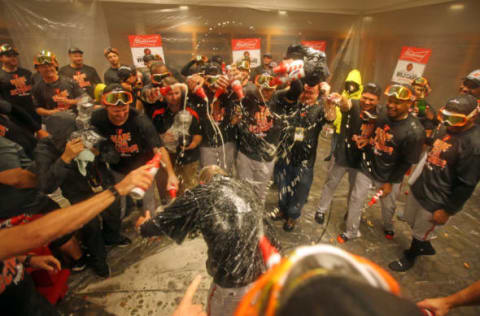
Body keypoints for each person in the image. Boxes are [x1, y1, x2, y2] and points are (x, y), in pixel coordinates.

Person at [136, 165, 278, 316]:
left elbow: (160, 223)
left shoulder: (202, 194)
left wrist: (143, 227)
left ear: (202, 182)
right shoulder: (244, 187)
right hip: (266, 274)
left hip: (233, 283)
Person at [389, 94, 480, 272]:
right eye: (445, 116)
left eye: (454, 119)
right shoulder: (445, 127)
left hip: (437, 198)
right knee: (411, 220)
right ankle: (425, 245)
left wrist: (447, 210)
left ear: (472, 117)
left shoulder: (474, 146)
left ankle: (411, 255)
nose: (448, 122)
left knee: (420, 231)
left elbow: (467, 184)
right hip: (423, 184)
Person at [35, 112, 131, 277]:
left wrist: (99, 152)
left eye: (79, 136)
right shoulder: (44, 149)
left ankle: (112, 236)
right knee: (90, 226)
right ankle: (99, 260)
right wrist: (65, 158)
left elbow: (115, 158)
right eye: (71, 138)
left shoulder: (90, 132)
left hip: (102, 184)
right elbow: (46, 186)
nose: (78, 141)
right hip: (78, 193)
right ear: (57, 138)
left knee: (114, 212)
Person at [337, 84, 424, 243]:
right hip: (368, 166)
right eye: (390, 100)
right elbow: (374, 126)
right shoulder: (383, 112)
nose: (391, 105)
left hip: (390, 174)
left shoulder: (415, 132)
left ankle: (388, 225)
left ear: (409, 104)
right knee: (356, 198)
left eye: (397, 102)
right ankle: (351, 231)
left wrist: (390, 182)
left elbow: (406, 162)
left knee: (388, 206)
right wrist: (367, 138)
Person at [0, 135, 85, 271]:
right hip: (26, 201)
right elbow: (15, 177)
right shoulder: (2, 146)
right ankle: (79, 259)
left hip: (10, 208)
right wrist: (41, 181)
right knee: (59, 228)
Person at [91, 84, 179, 215]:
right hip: (117, 168)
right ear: (106, 106)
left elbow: (159, 148)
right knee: (116, 203)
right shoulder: (97, 117)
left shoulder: (140, 120)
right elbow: (90, 140)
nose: (121, 114)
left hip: (141, 168)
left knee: (148, 202)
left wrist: (171, 174)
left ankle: (150, 230)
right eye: (115, 111)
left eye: (124, 110)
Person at [314, 83, 382, 225]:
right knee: (331, 183)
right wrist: (339, 98)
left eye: (372, 100)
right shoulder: (354, 104)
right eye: (365, 98)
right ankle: (321, 209)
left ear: (378, 101)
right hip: (342, 154)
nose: (367, 102)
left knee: (354, 190)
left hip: (361, 159)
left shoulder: (381, 113)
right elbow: (345, 105)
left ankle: (351, 212)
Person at [274, 82, 335, 231]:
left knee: (300, 190)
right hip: (285, 154)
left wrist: (327, 98)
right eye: (304, 92)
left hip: (305, 160)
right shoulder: (292, 104)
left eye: (310, 93)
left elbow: (331, 118)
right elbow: (278, 96)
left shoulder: (320, 109)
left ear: (317, 94)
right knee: (282, 184)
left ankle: (292, 217)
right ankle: (282, 209)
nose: (306, 95)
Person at [151, 77, 202, 195]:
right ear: (163, 94)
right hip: (167, 158)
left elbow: (198, 133)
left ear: (182, 92)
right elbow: (152, 136)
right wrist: (162, 138)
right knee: (169, 190)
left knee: (189, 189)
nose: (174, 97)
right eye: (169, 94)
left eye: (176, 93)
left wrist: (193, 144)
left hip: (189, 158)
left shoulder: (191, 110)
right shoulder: (158, 113)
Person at [235, 77, 279, 203]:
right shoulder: (248, 99)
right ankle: (243, 219)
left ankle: (257, 219)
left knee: (260, 194)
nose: (265, 93)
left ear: (274, 89)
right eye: (263, 89)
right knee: (243, 192)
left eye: (269, 90)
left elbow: (296, 89)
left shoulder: (279, 102)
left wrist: (282, 76)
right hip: (246, 154)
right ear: (257, 87)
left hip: (266, 157)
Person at [0, 44, 47, 137]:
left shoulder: (26, 73)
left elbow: (35, 92)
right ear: (1, 58)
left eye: (14, 55)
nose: (13, 58)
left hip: (33, 115)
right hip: (16, 118)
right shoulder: (1, 77)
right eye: (9, 56)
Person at [32, 50, 83, 118]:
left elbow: (83, 99)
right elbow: (37, 108)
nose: (48, 69)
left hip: (74, 120)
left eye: (50, 65)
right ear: (37, 69)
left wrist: (69, 101)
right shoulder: (37, 87)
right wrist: (51, 112)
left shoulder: (70, 82)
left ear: (56, 65)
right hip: (52, 122)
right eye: (43, 66)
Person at [411, 76, 437, 141]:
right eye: (413, 88)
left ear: (425, 93)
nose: (415, 91)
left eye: (419, 90)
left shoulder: (427, 109)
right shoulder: (405, 102)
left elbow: (427, 137)